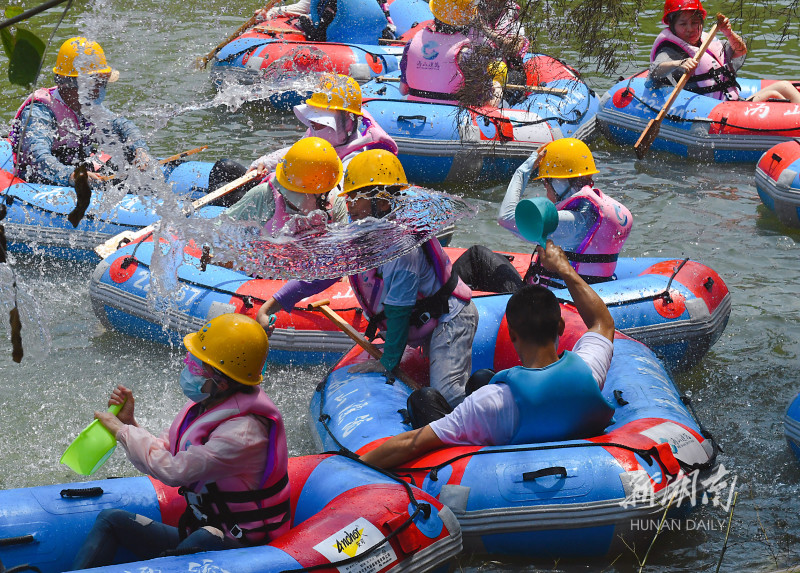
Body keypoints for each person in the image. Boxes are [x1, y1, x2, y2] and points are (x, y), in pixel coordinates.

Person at [360, 240, 615, 469]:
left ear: (512, 334)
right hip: (580, 456)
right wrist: (565, 269)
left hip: (496, 474)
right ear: (560, 327)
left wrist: (355, 464)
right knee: (482, 377)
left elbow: (413, 444)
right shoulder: (589, 371)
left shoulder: (491, 404)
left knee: (424, 399)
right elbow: (602, 322)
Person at [256, 149, 479, 408]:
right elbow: (319, 276)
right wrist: (270, 306)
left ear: (382, 203)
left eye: (355, 197)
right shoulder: (359, 234)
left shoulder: (402, 246)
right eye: (348, 196)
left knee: (448, 397)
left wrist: (387, 362)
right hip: (425, 322)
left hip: (449, 320)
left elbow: (398, 310)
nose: (348, 204)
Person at [71, 314, 290, 569]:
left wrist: (121, 431)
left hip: (241, 546)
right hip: (205, 531)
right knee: (112, 520)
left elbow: (174, 471)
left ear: (222, 381)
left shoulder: (242, 434)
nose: (189, 366)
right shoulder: (207, 405)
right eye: (192, 358)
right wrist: (130, 423)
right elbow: (167, 451)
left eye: (197, 365)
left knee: (205, 536)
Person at [455, 138, 632, 293]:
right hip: (584, 294)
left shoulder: (572, 223)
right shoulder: (594, 215)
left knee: (477, 256)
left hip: (546, 304)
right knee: (500, 261)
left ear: (559, 183)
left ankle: (432, 306)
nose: (546, 191)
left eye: (546, 184)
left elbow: (506, 217)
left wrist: (523, 170)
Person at [8, 37, 153, 188]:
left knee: (126, 156)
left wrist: (140, 150)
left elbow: (121, 125)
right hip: (44, 179)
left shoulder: (88, 107)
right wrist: (72, 175)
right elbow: (38, 157)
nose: (98, 90)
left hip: (79, 164)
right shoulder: (40, 112)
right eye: (93, 84)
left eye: (101, 83)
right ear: (67, 85)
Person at [649, 0, 800, 104]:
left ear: (701, 22)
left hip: (731, 104)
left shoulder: (707, 42)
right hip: (710, 112)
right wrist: (680, 63)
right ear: (672, 25)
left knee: (785, 86)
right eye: (683, 24)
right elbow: (655, 69)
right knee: (772, 95)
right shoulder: (669, 49)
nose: (690, 28)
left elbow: (740, 50)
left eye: (695, 22)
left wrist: (729, 33)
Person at [248, 74, 397, 177]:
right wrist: (264, 163)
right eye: (312, 120)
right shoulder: (314, 132)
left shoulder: (354, 161)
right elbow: (297, 151)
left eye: (321, 122)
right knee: (227, 166)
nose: (314, 125)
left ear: (347, 122)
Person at [224, 136, 346, 232]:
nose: (290, 198)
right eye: (290, 191)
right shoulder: (264, 195)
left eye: (301, 193)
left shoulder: (335, 202)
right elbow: (223, 226)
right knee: (224, 167)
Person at [400, 0, 504, 106]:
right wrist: (498, 83)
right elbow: (488, 103)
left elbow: (403, 90)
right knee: (503, 102)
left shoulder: (411, 44)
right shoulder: (467, 52)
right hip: (450, 116)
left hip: (412, 112)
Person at [255, 0, 390, 44]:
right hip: (376, 39)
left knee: (305, 21)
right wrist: (270, 12)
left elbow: (303, 7)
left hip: (334, 39)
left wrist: (271, 13)